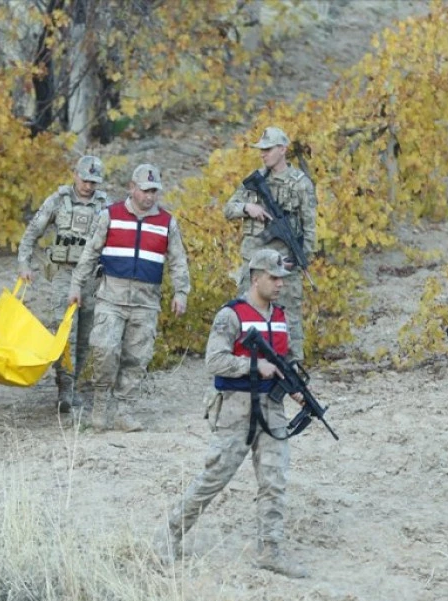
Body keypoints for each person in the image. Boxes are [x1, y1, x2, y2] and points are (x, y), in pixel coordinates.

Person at [166, 249, 307, 578]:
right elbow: (214, 361)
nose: (279, 284)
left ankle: (270, 550)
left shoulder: (282, 316)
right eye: (273, 278)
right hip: (235, 408)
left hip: (272, 409)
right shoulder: (231, 315)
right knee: (215, 477)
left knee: (274, 480)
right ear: (255, 278)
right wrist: (254, 365)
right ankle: (171, 533)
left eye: (282, 279)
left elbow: (287, 360)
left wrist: (296, 388)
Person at [68, 163, 190, 432]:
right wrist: (76, 284)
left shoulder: (167, 222)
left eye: (154, 191)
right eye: (145, 190)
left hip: (146, 302)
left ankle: (125, 411)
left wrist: (181, 292)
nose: (149, 196)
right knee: (104, 351)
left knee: (137, 358)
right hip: (111, 298)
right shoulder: (110, 215)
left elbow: (178, 261)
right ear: (132, 188)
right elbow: (90, 253)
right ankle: (100, 406)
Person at [16, 155, 110, 413]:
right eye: (84, 179)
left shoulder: (105, 206)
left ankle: (75, 383)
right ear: (75, 175)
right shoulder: (58, 201)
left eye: (93, 182)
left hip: (92, 277)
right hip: (63, 275)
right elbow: (32, 232)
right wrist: (24, 263)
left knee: (86, 335)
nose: (88, 186)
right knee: (65, 332)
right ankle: (65, 388)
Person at [224, 126, 317, 363]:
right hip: (254, 263)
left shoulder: (300, 184)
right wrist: (247, 208)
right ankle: (244, 361)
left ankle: (291, 366)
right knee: (246, 313)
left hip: (284, 263)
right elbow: (228, 209)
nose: (262, 154)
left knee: (289, 318)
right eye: (261, 149)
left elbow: (310, 228)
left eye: (268, 149)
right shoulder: (255, 179)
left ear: (282, 149)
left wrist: (300, 259)